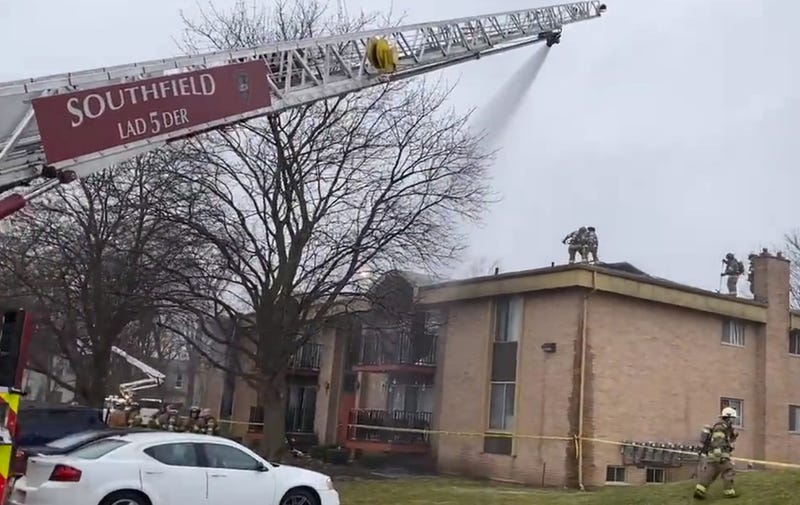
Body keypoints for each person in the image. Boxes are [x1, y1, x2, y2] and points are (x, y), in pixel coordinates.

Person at [694, 407, 739, 500]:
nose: (733, 420)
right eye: (733, 418)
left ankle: (700, 490)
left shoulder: (723, 427)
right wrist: (720, 454)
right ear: (728, 417)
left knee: (710, 473)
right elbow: (718, 440)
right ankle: (729, 492)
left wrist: (733, 436)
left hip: (712, 455)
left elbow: (726, 439)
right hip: (720, 454)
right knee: (728, 470)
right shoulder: (721, 427)